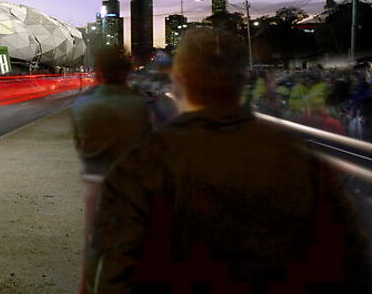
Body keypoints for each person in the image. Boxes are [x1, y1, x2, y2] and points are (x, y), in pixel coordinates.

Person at [90, 28, 371, 292]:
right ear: (243, 80)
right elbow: (350, 259)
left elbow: (115, 274)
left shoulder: (141, 165)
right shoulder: (301, 158)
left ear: (178, 82)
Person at [70, 45, 152, 291]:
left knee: (93, 243)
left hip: (95, 182)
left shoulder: (83, 104)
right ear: (126, 72)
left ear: (99, 71)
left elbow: (80, 143)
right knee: (128, 247)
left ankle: (86, 288)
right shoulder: (141, 104)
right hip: (131, 184)